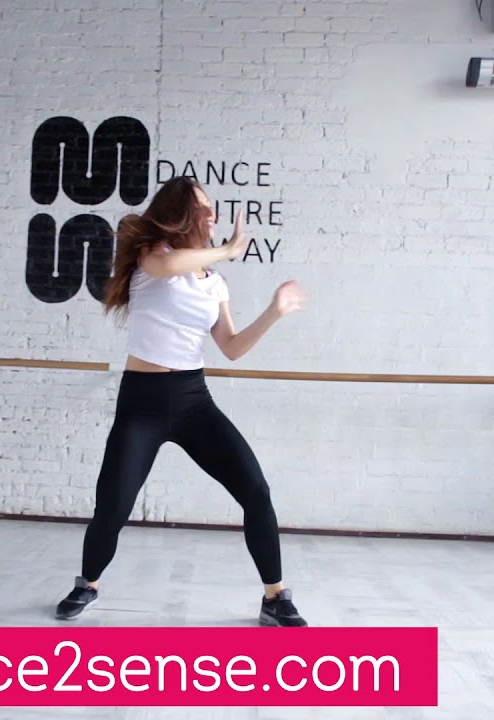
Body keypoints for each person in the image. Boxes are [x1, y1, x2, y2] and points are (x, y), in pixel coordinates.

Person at [54, 176, 311, 627]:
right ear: (180, 213)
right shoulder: (151, 257)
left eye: (212, 207)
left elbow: (231, 347)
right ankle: (87, 584)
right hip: (141, 404)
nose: (212, 214)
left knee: (256, 491)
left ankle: (275, 597)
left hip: (194, 402)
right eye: (203, 207)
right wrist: (227, 250)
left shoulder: (215, 284)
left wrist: (274, 311)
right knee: (113, 506)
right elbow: (170, 266)